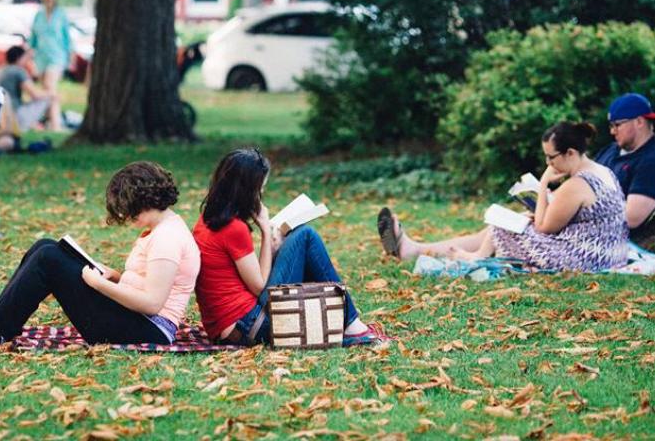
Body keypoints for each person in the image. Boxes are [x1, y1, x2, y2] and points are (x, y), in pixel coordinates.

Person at [0, 161, 200, 345]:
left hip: (149, 330)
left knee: (48, 259)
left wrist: (99, 285)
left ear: (141, 201)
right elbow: (148, 283)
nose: (126, 216)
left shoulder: (167, 238)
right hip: (136, 320)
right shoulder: (160, 229)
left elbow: (152, 304)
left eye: (126, 209)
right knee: (45, 246)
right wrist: (114, 276)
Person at [379, 122, 629, 271]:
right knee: (515, 220)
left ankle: (475, 258)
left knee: (503, 225)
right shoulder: (601, 171)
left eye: (551, 157)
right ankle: (416, 249)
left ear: (570, 153)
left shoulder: (577, 184)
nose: (548, 163)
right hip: (609, 251)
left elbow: (544, 228)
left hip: (585, 257)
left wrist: (542, 185)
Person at [192, 148, 380, 346]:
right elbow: (258, 287)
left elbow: (245, 277)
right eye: (259, 188)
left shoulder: (208, 218)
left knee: (301, 241)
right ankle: (350, 321)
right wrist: (266, 232)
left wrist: (272, 248)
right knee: (306, 236)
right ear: (246, 190)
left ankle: (342, 317)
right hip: (250, 326)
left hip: (229, 326)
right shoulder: (234, 228)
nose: (261, 194)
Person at [594, 93, 655, 249]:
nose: (612, 132)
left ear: (639, 121)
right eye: (611, 126)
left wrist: (579, 208)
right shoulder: (610, 150)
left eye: (617, 125)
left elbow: (632, 217)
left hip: (622, 244)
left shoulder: (651, 159)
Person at [0, 45, 60, 143]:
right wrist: (52, 93)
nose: (27, 61)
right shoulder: (18, 71)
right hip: (15, 118)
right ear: (19, 58)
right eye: (25, 58)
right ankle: (56, 128)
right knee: (51, 97)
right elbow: (35, 94)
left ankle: (45, 125)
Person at [29, 0, 71, 131]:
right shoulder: (38, 15)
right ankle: (48, 121)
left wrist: (70, 59)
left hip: (57, 57)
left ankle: (56, 125)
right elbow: (33, 38)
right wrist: (29, 56)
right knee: (45, 89)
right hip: (41, 58)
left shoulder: (61, 14)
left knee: (50, 87)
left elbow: (67, 39)